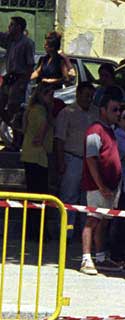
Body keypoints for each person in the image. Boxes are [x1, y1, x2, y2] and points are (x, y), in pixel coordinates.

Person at [80, 94, 123, 275]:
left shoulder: (110, 130)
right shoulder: (94, 131)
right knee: (92, 220)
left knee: (104, 222)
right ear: (103, 110)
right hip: (97, 187)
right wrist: (101, 185)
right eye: (114, 109)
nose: (118, 113)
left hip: (111, 188)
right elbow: (91, 159)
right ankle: (86, 258)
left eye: (119, 110)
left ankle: (100, 257)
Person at [54, 82, 95, 240]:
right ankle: (66, 234)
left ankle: (85, 235)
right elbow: (59, 139)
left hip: (91, 162)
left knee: (87, 200)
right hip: (72, 159)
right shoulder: (67, 112)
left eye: (91, 96)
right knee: (69, 197)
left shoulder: (96, 112)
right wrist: (60, 162)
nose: (89, 99)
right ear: (78, 94)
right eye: (86, 95)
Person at [0, 17, 35, 147]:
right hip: (9, 77)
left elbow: (30, 65)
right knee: (2, 107)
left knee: (14, 110)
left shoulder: (27, 43)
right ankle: (18, 131)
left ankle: (17, 139)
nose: (9, 27)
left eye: (12, 25)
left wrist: (23, 83)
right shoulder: (10, 41)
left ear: (19, 27)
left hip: (19, 78)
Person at [110, 103, 125, 265]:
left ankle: (124, 253)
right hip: (122, 184)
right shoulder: (117, 135)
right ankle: (116, 254)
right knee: (120, 221)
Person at [20, 83, 54, 196]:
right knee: (39, 191)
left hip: (30, 154)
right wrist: (40, 137)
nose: (52, 98)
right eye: (50, 95)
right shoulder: (39, 109)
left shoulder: (31, 108)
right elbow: (43, 123)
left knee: (32, 189)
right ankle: (36, 213)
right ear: (42, 95)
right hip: (37, 156)